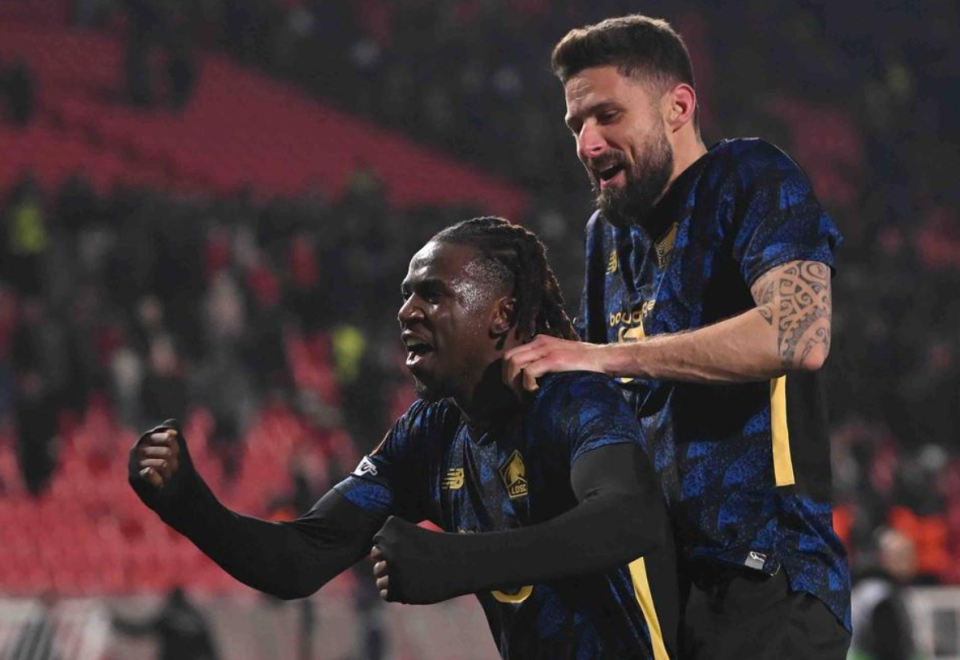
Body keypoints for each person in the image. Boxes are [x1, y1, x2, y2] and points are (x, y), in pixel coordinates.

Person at [129, 217, 680, 660]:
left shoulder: (570, 397)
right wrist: (189, 504)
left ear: (502, 314)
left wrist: (460, 562)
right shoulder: (430, 433)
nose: (407, 312)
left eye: (432, 295)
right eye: (407, 295)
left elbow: (632, 517)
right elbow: (301, 557)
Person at [502, 14, 851, 660]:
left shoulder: (750, 176)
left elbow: (801, 335)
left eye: (607, 115)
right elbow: (609, 408)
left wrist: (603, 358)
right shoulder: (606, 237)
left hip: (767, 576)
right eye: (576, 125)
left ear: (678, 108)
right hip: (662, 585)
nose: (588, 142)